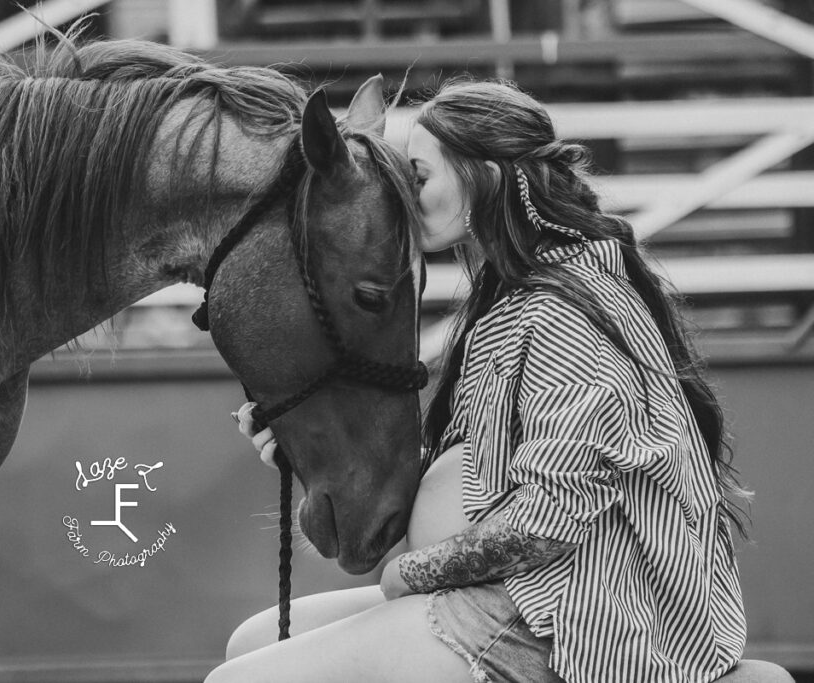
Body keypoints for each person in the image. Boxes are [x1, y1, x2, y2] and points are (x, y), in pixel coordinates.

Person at [204, 78, 749, 683]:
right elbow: (488, 476)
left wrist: (408, 573)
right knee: (247, 643)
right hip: (517, 594)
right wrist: (306, 446)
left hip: (571, 617)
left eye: (419, 177)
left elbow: (550, 517)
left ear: (484, 177)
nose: (406, 197)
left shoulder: (564, 314)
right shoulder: (511, 299)